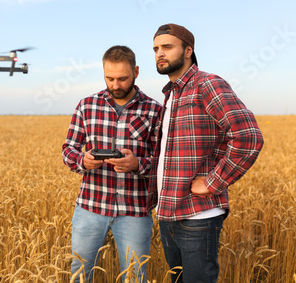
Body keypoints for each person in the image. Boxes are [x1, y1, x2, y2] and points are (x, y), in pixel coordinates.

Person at [149, 23, 264, 283]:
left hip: (198, 216)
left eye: (167, 47)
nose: (159, 53)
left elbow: (248, 137)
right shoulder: (171, 95)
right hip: (168, 214)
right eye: (156, 48)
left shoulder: (208, 84)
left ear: (188, 50)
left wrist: (213, 183)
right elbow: (170, 155)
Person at [62, 45, 162, 282]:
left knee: (135, 277)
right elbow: (68, 149)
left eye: (123, 79)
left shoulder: (154, 110)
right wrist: (83, 160)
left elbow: (164, 162)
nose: (116, 85)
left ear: (136, 72)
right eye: (110, 78)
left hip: (135, 211)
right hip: (90, 207)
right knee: (79, 275)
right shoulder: (87, 106)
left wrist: (137, 164)